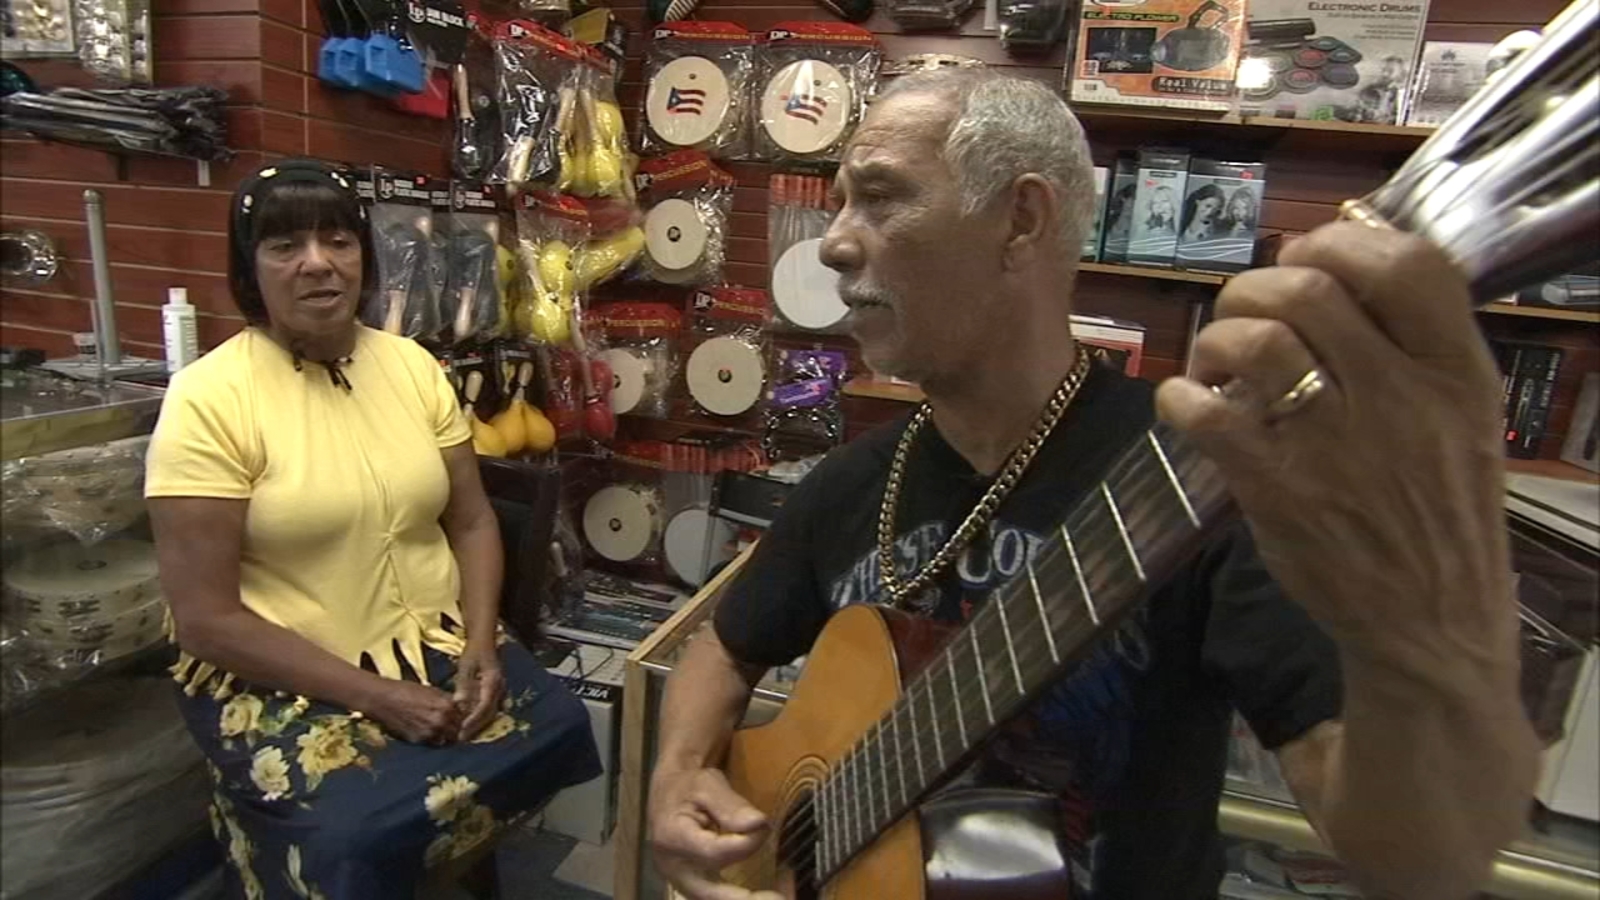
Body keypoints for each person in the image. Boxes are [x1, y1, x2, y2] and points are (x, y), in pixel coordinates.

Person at [647, 70, 1539, 899]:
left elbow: (1425, 856)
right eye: (839, 203)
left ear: (1022, 221)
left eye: (878, 196)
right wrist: (679, 774)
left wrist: (1434, 629)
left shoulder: (1205, 471)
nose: (834, 244)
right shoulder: (853, 479)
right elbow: (724, 648)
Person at [145, 159, 600, 900]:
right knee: (349, 835)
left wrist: (482, 641)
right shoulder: (208, 400)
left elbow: (473, 518)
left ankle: (443, 864)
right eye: (285, 245)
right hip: (282, 661)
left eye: (338, 240)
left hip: (430, 636)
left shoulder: (414, 366)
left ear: (365, 254)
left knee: (557, 722)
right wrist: (377, 697)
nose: (318, 263)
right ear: (248, 268)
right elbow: (204, 621)